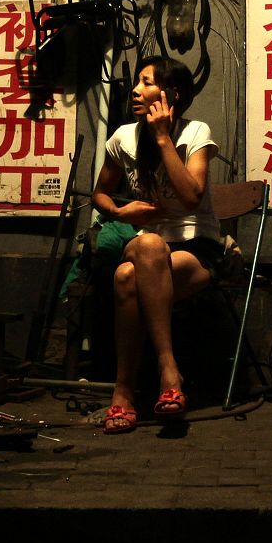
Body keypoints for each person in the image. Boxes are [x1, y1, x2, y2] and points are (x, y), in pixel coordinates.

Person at [89, 55, 221, 434]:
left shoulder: (194, 133)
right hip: (147, 244)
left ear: (172, 94)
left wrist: (163, 138)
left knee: (127, 278)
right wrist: (119, 212)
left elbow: (192, 197)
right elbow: (100, 194)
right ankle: (169, 371)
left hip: (195, 250)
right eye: (137, 81)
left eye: (147, 82)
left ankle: (123, 393)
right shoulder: (123, 138)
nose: (135, 89)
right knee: (147, 246)